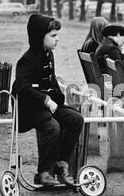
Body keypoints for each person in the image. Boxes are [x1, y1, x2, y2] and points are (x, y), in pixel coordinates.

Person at [12, 14, 84, 186]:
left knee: (75, 119)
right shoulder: (27, 60)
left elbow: (50, 80)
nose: (57, 39)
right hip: (29, 110)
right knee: (52, 127)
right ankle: (43, 172)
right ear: (39, 37)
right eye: (53, 36)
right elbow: (20, 87)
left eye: (56, 35)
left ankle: (62, 163)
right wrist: (44, 99)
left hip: (47, 106)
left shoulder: (48, 54)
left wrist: (58, 101)